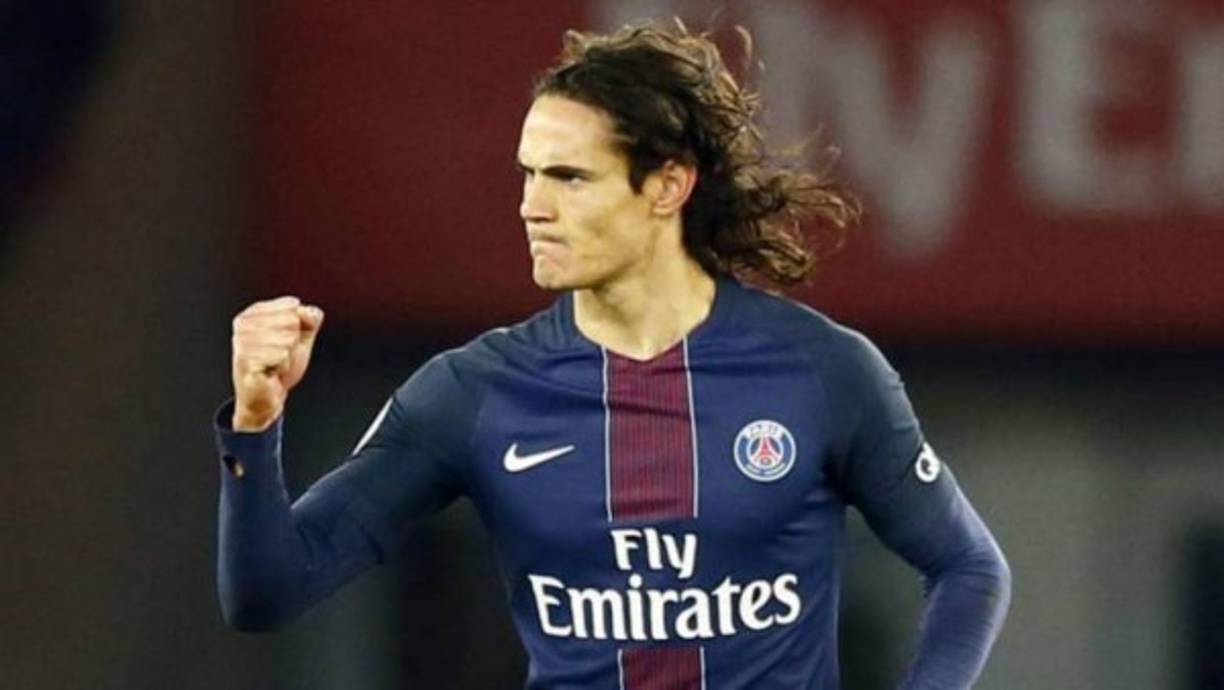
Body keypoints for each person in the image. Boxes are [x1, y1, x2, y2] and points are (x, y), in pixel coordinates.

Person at [215, 22, 1011, 690]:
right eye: (527, 174)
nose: (532, 206)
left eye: (569, 177)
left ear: (666, 186)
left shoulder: (822, 373)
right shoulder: (473, 395)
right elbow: (267, 593)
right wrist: (256, 423)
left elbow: (969, 569)